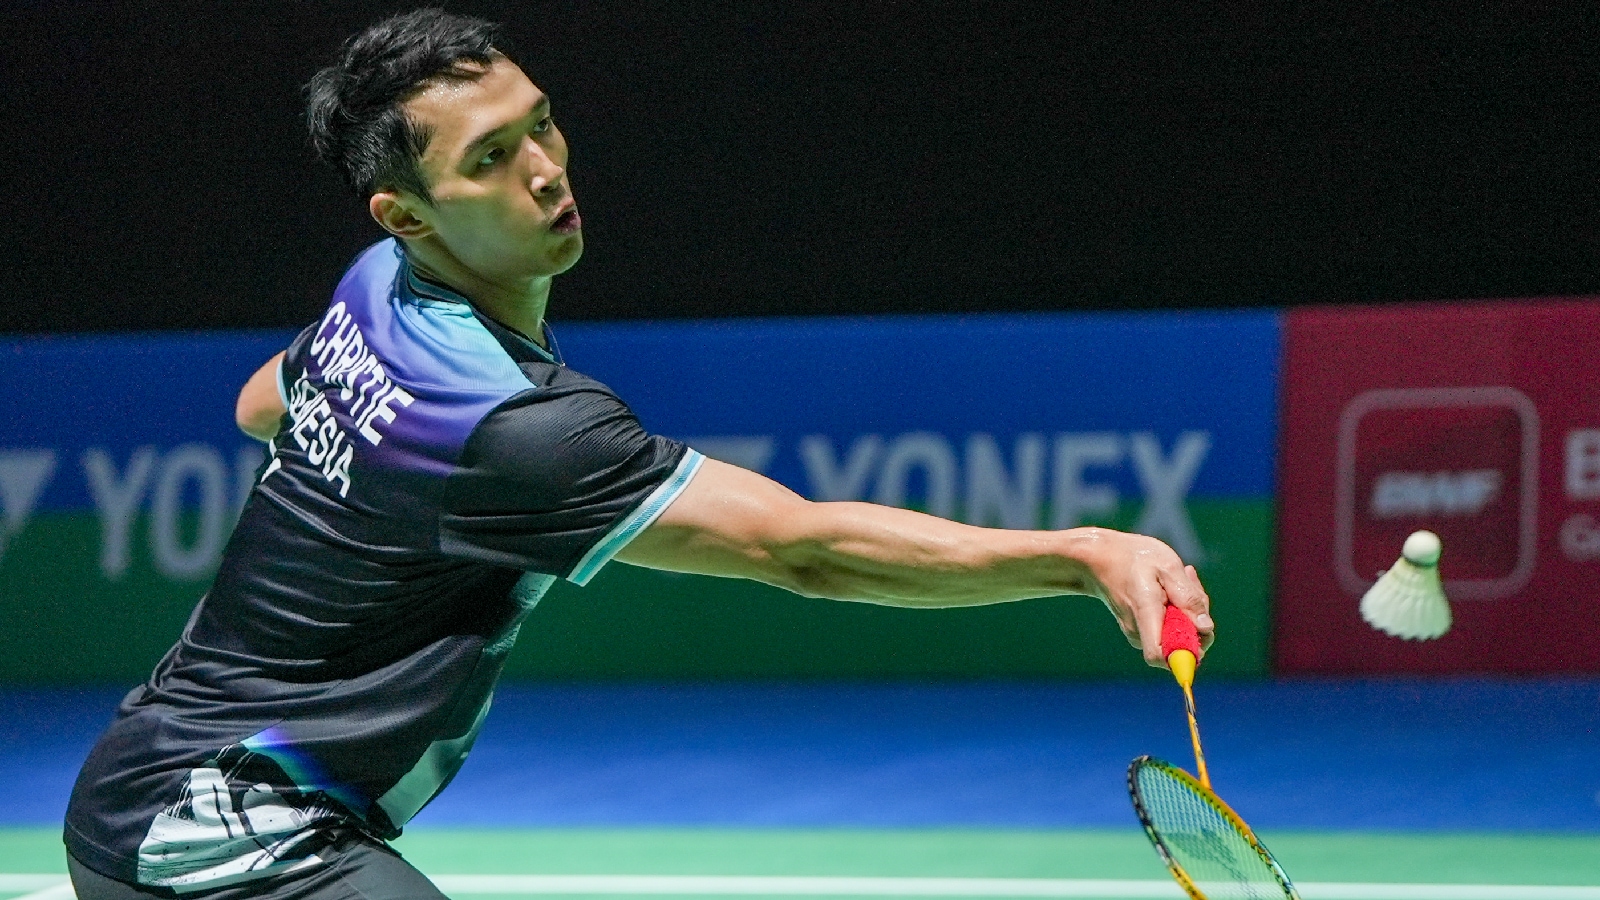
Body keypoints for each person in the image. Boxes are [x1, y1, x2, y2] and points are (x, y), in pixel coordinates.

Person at [65, 9, 1213, 900]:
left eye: (541, 125)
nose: (546, 171)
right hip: (226, 833)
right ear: (404, 214)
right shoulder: (516, 429)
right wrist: (1080, 554)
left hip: (144, 792)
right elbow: (800, 550)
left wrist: (345, 432)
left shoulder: (376, 293)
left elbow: (255, 402)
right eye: (490, 160)